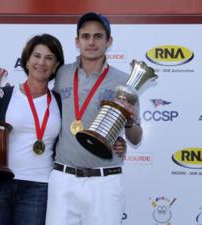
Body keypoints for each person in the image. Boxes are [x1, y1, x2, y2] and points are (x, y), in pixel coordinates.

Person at [45, 12, 143, 225]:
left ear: (109, 41)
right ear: (77, 41)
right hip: (63, 178)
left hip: (105, 181)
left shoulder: (124, 81)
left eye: (98, 36)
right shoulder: (61, 73)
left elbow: (135, 138)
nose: (91, 42)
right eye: (85, 36)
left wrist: (130, 120)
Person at [0, 33, 64, 225]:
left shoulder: (60, 102)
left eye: (49, 58)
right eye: (37, 56)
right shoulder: (3, 95)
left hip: (39, 188)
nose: (42, 62)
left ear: (56, 65)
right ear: (27, 60)